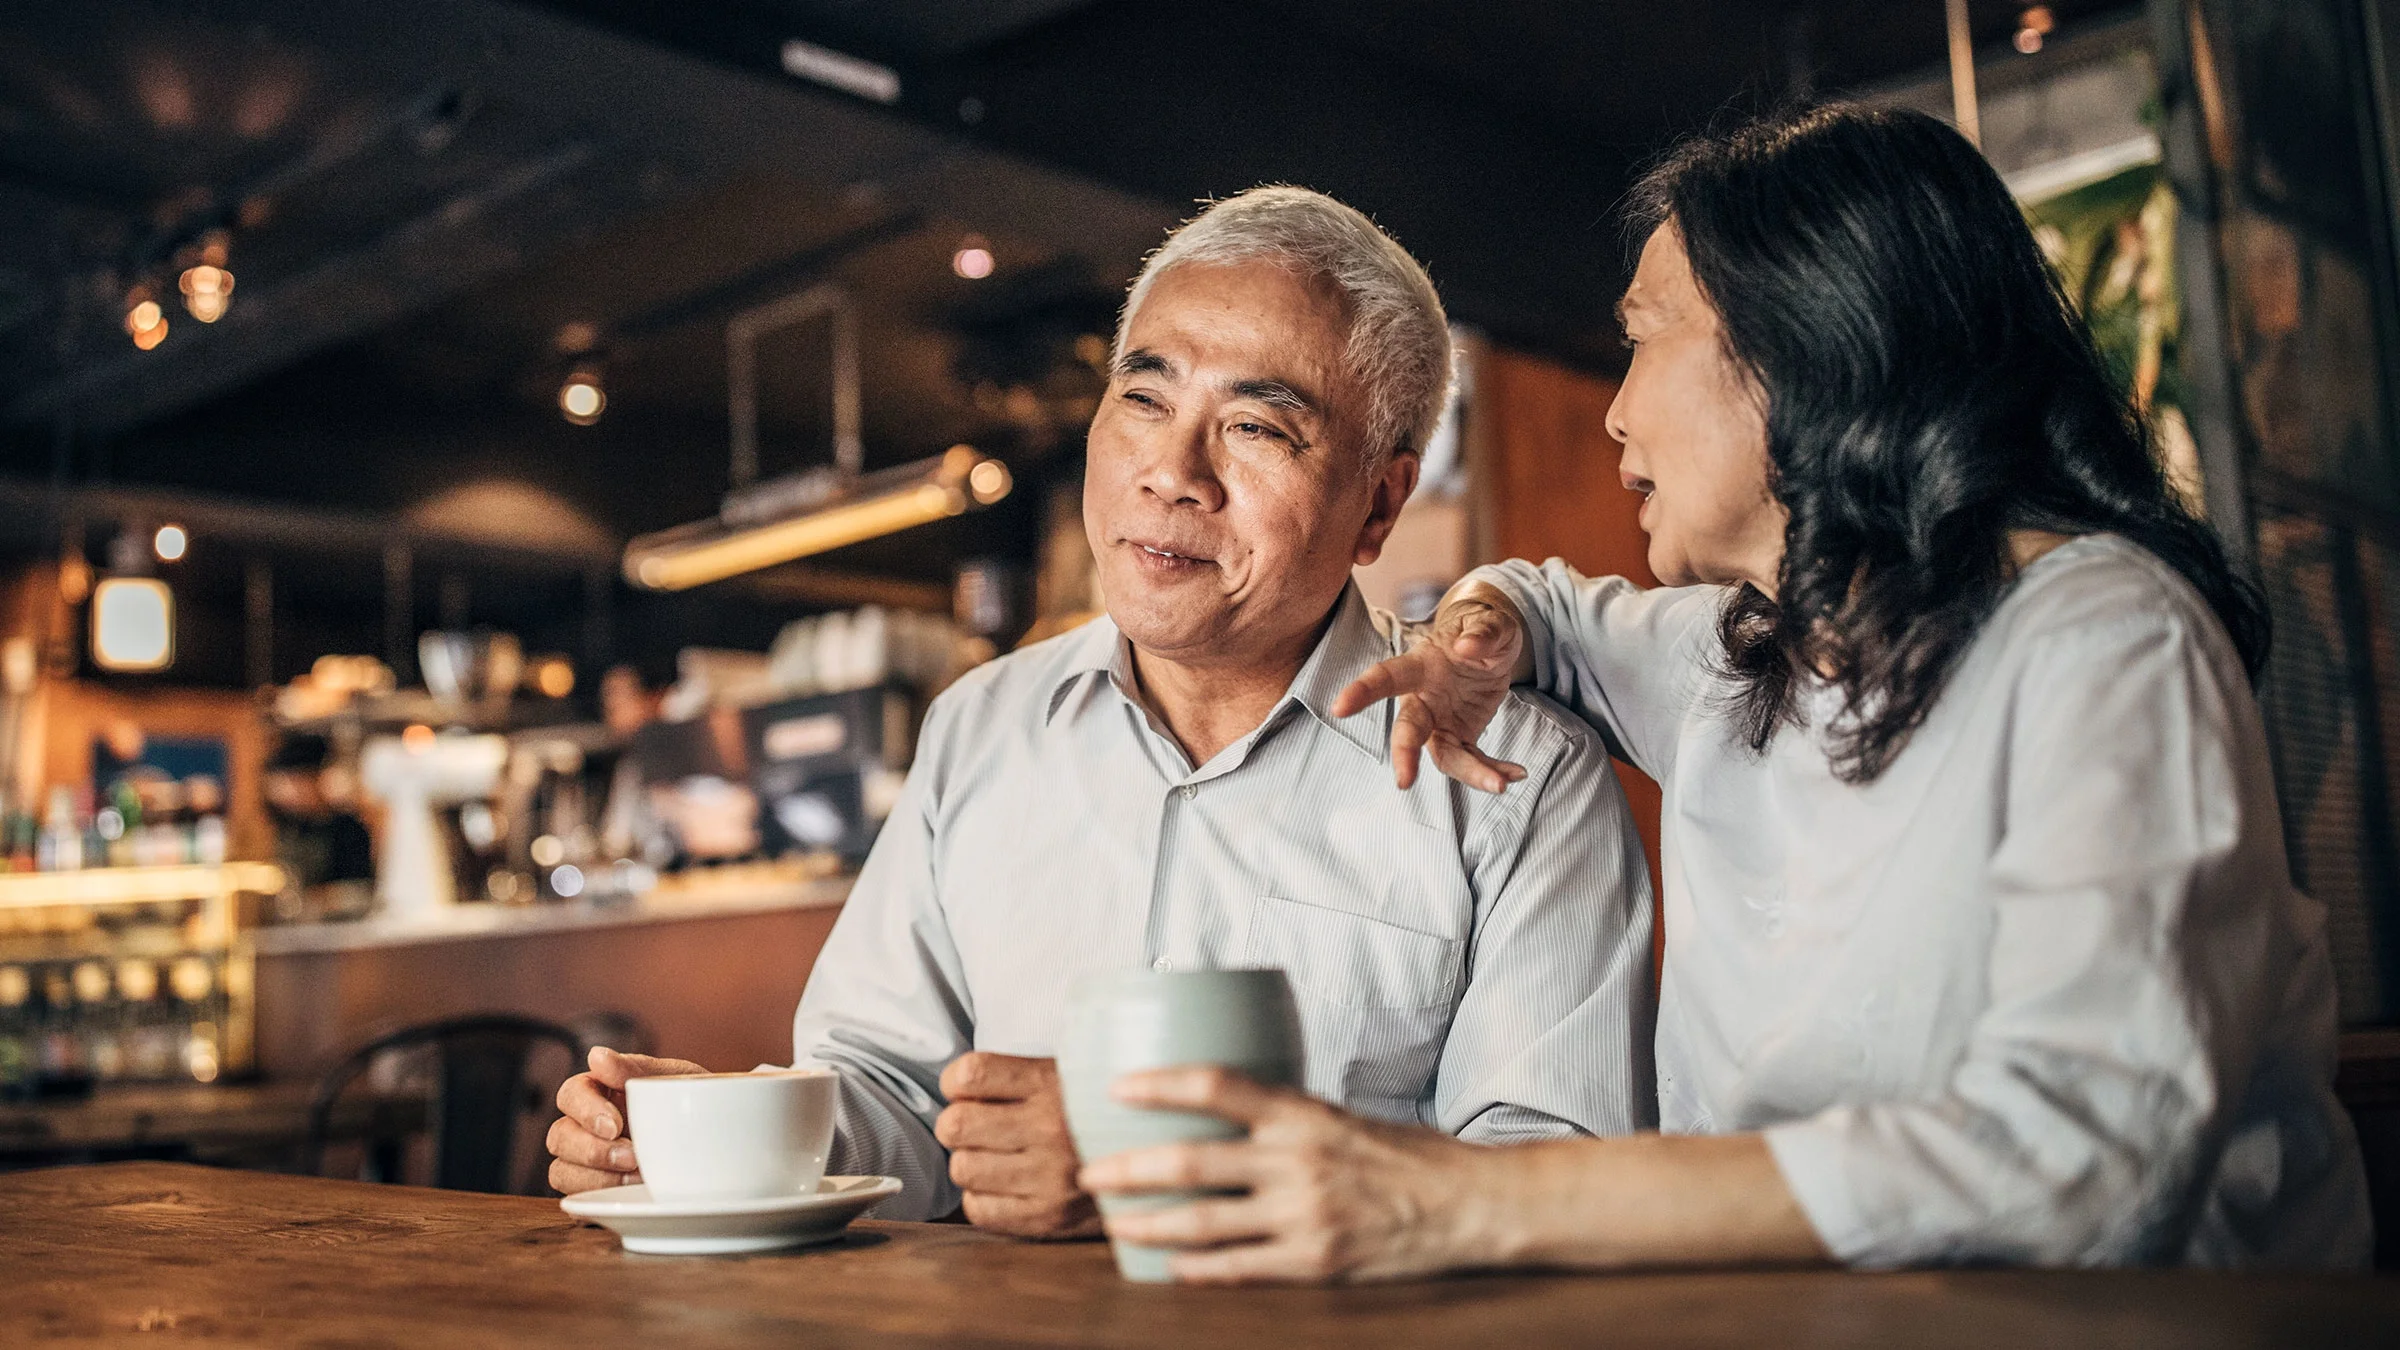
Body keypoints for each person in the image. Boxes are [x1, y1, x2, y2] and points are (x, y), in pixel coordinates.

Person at [1078, 105, 2374, 1280]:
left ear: (1808, 351)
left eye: (1644, 340)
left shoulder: (2107, 639)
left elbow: (2085, 1162)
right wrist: (1477, 636)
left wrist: (1458, 1197)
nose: (1615, 413)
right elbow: (1536, 600)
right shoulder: (1741, 645)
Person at [546, 186, 1657, 1235]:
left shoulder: (1520, 777)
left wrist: (1158, 1168)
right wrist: (712, 1142)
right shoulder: (981, 725)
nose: (1172, 472)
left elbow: (1550, 1182)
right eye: (1144, 398)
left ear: (1379, 503)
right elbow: (893, 1089)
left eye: (1256, 428)